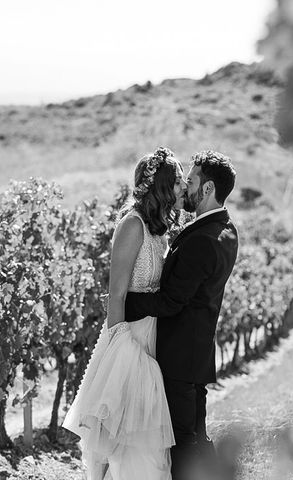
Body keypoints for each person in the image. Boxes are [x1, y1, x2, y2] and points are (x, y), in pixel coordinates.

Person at [63, 147, 186, 480]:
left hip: (153, 337)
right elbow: (116, 295)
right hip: (126, 339)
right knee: (121, 439)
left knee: (146, 439)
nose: (182, 189)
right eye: (177, 183)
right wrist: (121, 349)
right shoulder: (132, 225)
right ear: (162, 187)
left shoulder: (159, 230)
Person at [123, 150, 239, 480]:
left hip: (180, 360)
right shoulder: (224, 229)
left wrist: (126, 303)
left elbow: (172, 301)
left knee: (182, 445)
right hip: (196, 356)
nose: (184, 187)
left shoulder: (204, 239)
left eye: (191, 181)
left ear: (207, 189)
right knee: (196, 439)